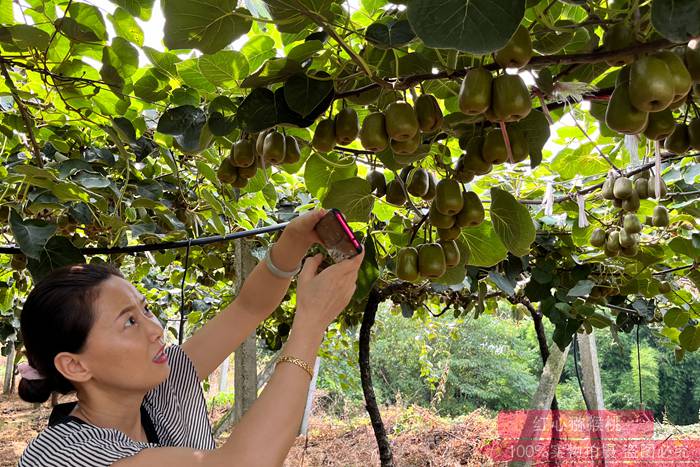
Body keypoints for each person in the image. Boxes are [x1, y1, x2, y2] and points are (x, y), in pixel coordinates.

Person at [17, 209, 365, 466]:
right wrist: (311, 323)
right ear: (75, 365)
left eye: (146, 310)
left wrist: (293, 242)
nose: (155, 330)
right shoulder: (63, 456)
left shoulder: (163, 389)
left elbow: (248, 308)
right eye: (129, 323)